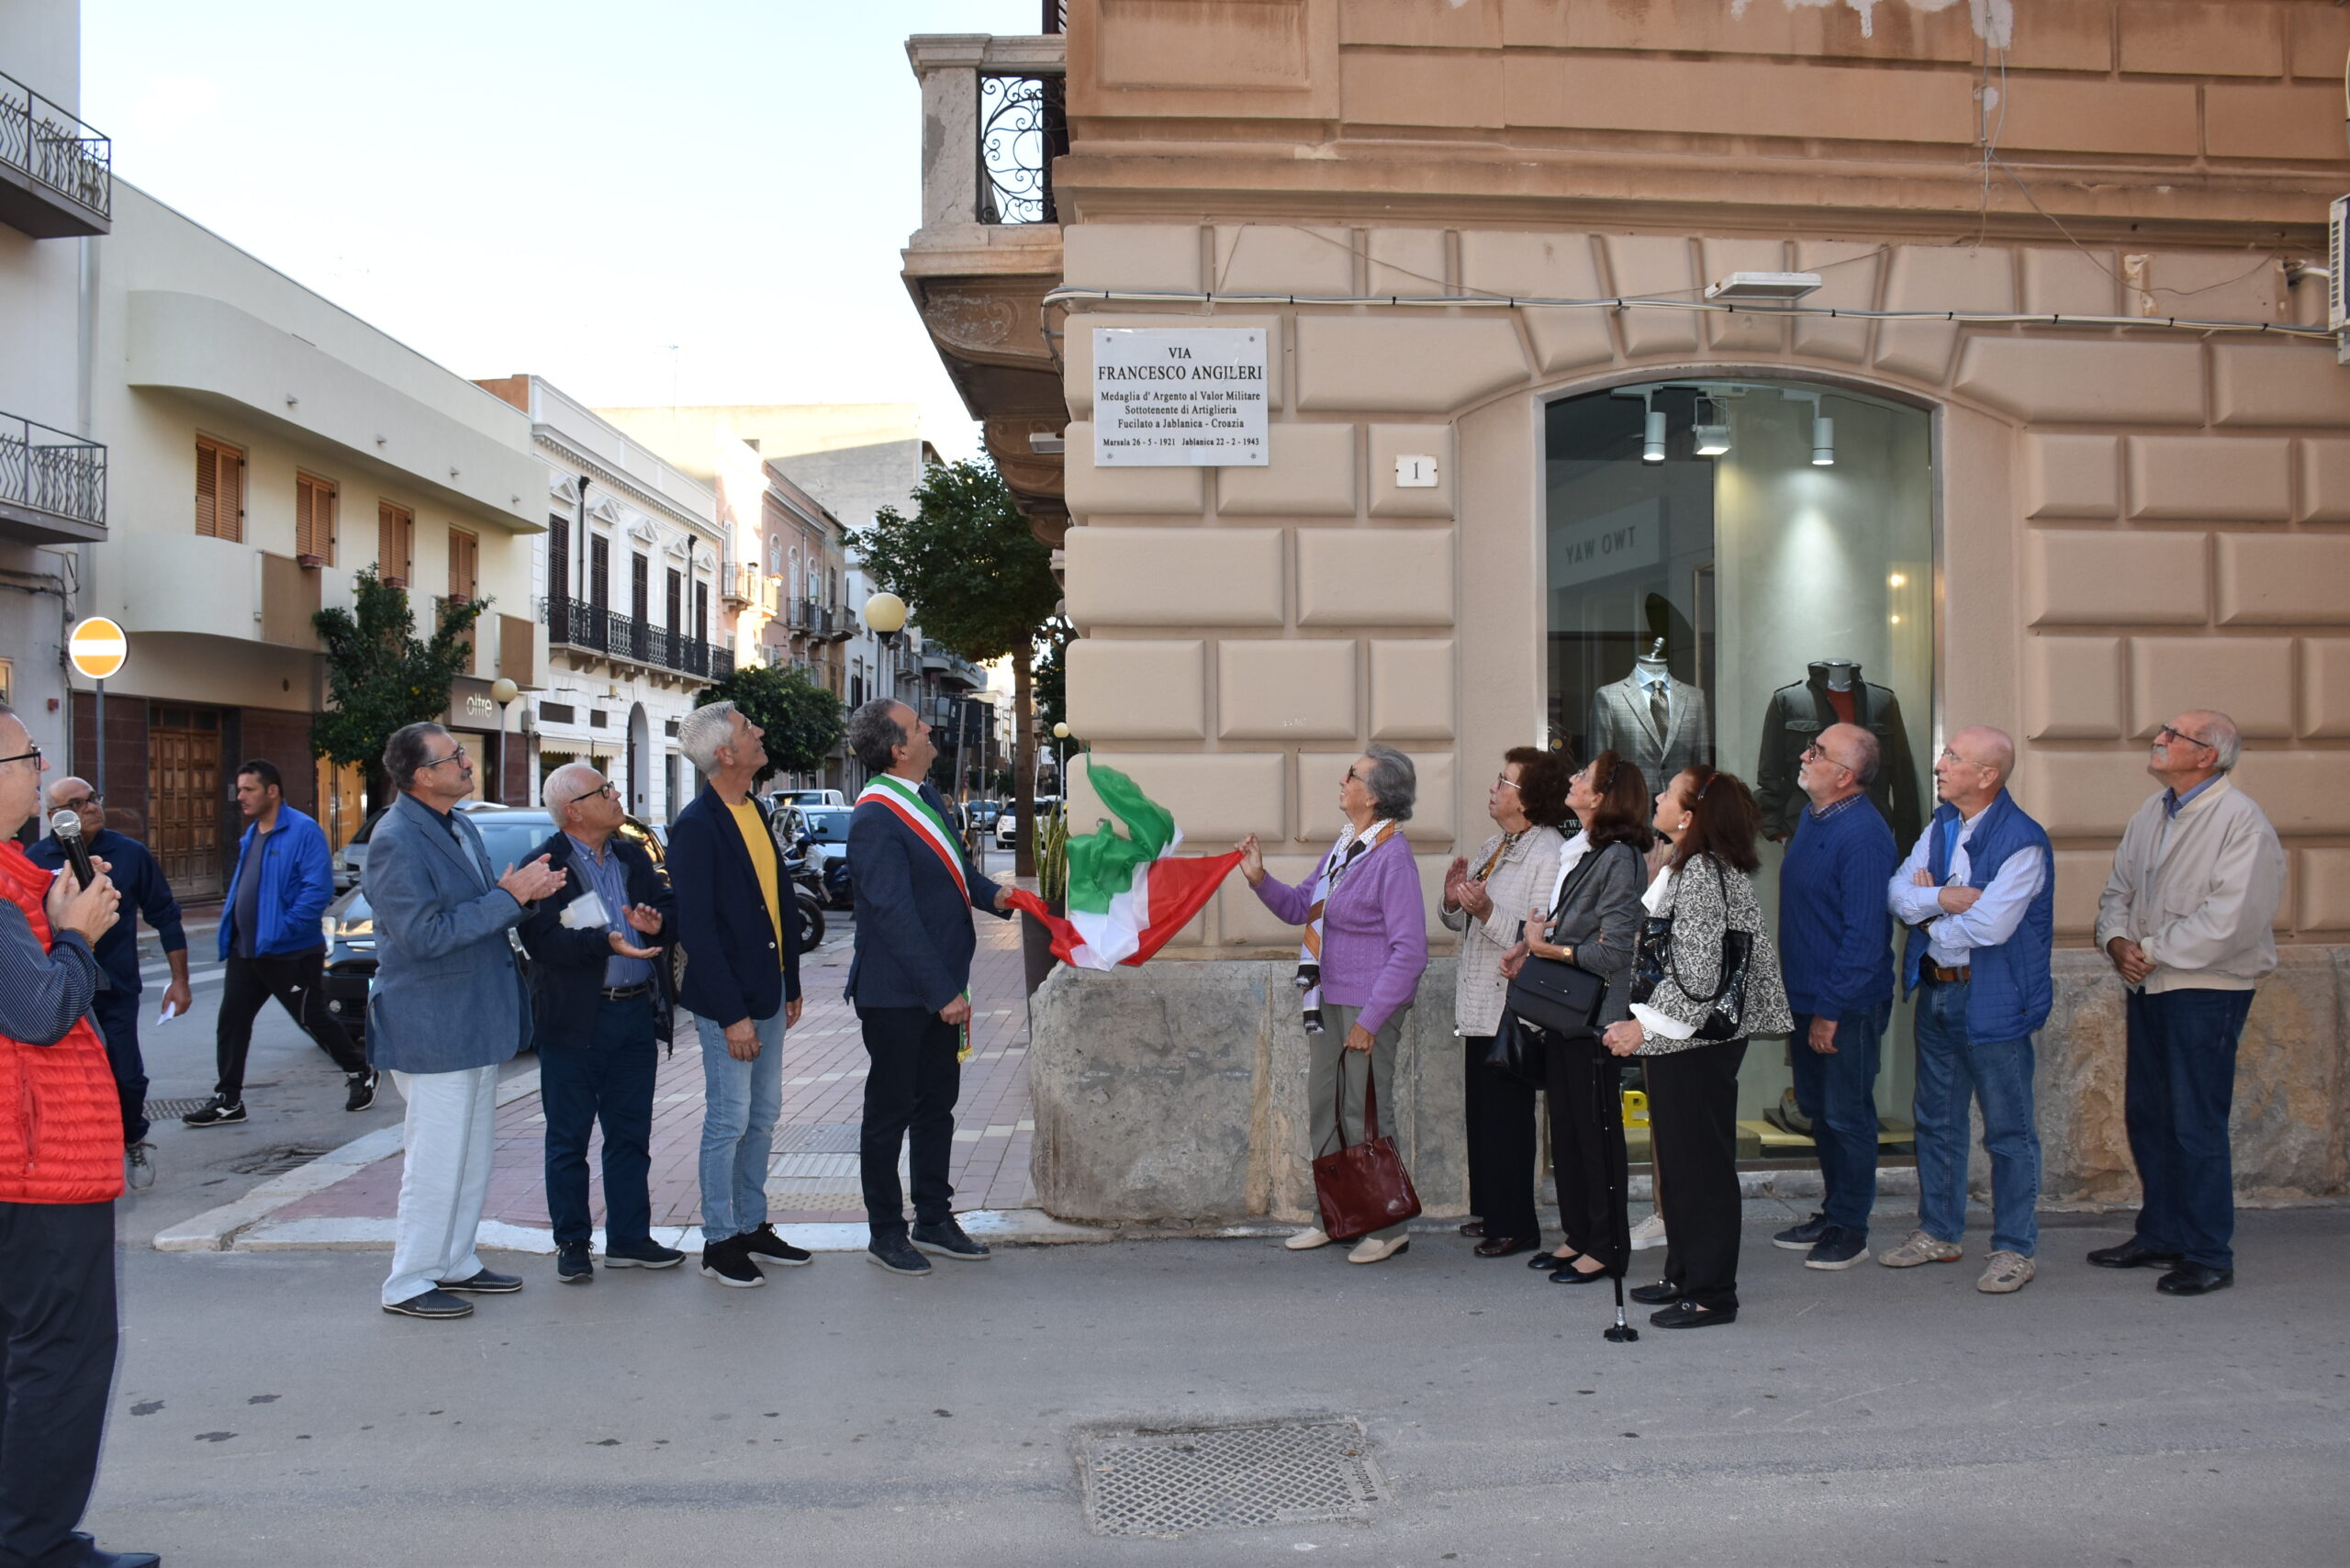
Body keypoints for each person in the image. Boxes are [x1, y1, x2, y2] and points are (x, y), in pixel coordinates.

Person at [0, 705, 160, 1568]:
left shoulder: (9, 873)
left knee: (26, 1355)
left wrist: (53, 896)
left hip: (27, 1162)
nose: (39, 769)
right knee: (61, 1359)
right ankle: (35, 1545)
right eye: (27, 756)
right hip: (34, 1165)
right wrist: (77, 932)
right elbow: (38, 1011)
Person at [368, 723, 565, 1319]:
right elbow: (423, 935)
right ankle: (409, 1280)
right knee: (436, 1159)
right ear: (422, 775)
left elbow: (477, 910)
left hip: (474, 1018)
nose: (465, 760)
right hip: (434, 1024)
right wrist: (510, 898)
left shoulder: (460, 822)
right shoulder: (396, 838)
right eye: (453, 755)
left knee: (471, 1153)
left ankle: (454, 1260)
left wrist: (515, 894)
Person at [2091, 710, 2286, 1297]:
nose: (2161, 739)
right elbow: (2118, 891)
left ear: (2209, 756)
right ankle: (2162, 1234)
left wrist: (2147, 949)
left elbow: (2233, 920)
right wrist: (2117, 941)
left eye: (2176, 736)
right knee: (2149, 1115)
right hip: (2150, 982)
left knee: (2195, 1123)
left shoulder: (2240, 821)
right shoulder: (2152, 812)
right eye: (2164, 730)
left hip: (2207, 989)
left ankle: (2208, 1254)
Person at [1604, 766, 1793, 1328]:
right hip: (1687, 1039)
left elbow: (1697, 975)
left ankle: (1712, 1292)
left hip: (1695, 1041)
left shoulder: (1705, 871)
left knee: (1701, 1167)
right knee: (1683, 1165)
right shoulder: (1691, 866)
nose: (1656, 796)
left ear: (1689, 817)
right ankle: (1685, 1273)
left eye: (1668, 793)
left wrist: (1646, 1028)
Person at [1238, 745, 1429, 1266]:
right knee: (1325, 1106)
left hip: (1368, 1005)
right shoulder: (1348, 845)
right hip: (1326, 999)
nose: (1342, 781)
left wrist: (1371, 1021)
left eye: (1352, 775)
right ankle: (1338, 1217)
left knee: (1364, 1112)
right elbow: (1304, 906)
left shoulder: (1393, 855)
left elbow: (1410, 951)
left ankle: (1387, 1226)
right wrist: (1258, 877)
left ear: (1373, 795)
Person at [844, 699, 1014, 1277]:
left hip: (940, 986)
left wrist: (998, 897)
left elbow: (956, 872)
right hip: (898, 994)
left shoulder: (928, 798)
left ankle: (934, 1219)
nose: (929, 729)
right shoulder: (874, 817)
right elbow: (892, 914)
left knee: (937, 1106)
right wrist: (943, 991)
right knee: (890, 1111)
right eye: (918, 726)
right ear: (898, 748)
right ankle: (886, 1231)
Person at [1882, 725, 2053, 1295]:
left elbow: (1991, 925)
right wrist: (1940, 900)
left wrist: (1927, 911)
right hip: (1937, 991)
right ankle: (1939, 1233)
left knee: (2009, 1131)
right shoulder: (1942, 825)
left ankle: (2014, 1249)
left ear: (1988, 776)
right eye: (1945, 752)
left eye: (1954, 757)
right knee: (1937, 1119)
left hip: (1993, 999)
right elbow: (1897, 893)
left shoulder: (2023, 840)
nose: (1939, 763)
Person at [518, 763, 686, 1285]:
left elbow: (667, 907)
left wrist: (658, 922)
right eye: (604, 791)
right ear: (575, 810)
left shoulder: (632, 855)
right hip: (574, 1023)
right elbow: (541, 941)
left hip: (635, 1012)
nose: (617, 796)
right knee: (569, 1139)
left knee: (631, 1135)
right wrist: (603, 941)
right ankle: (572, 1243)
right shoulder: (544, 866)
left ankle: (629, 1239)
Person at [670, 702, 808, 1288]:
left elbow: (778, 904)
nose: (760, 733)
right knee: (729, 1119)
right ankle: (719, 1239)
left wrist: (791, 982)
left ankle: (752, 1224)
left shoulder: (755, 808)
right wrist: (732, 1016)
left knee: (764, 1115)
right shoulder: (696, 827)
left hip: (770, 990)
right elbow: (697, 931)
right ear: (724, 754)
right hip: (731, 1003)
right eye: (749, 729)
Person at [1512, 751, 1651, 1286]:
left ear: (1603, 795)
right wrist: (1546, 941)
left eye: (1583, 777)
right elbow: (1578, 931)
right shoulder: (1588, 850)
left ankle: (1607, 1244)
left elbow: (1615, 950)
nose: (1573, 780)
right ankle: (1578, 1235)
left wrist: (1551, 951)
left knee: (1595, 1134)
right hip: (1569, 1013)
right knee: (1568, 1130)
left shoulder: (1620, 856)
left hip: (1597, 1015)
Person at [183, 758, 375, 1126]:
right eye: (239, 789)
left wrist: (283, 931)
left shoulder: (303, 831)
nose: (240, 796)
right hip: (248, 951)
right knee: (232, 1022)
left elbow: (315, 890)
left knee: (312, 1018)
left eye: (248, 789)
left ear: (272, 791)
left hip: (290, 952)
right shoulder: (253, 833)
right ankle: (229, 1099)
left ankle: (359, 1071)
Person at [1772, 723, 1901, 1271]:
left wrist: (1829, 1011)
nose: (1806, 755)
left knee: (1848, 1116)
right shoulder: (1812, 817)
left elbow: (1865, 937)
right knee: (1821, 1114)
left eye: (1818, 752)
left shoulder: (1865, 837)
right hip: (1807, 997)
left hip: (1844, 1003)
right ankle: (1834, 1211)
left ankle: (1852, 1225)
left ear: (1845, 776)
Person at [1439, 746, 1572, 1259]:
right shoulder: (1496, 843)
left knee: (1510, 1119)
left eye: (1505, 781)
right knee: (1484, 1115)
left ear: (1529, 798)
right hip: (1478, 999)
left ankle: (1518, 1223)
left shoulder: (1549, 852)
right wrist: (1453, 901)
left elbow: (1536, 934)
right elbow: (1463, 920)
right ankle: (1493, 1211)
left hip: (1512, 1004)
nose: (1494, 788)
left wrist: (1486, 908)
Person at [28, 777, 191, 1191]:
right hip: (56, 990)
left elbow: (165, 915)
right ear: (55, 817)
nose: (91, 808)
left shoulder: (129, 854)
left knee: (125, 1076)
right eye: (78, 804)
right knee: (63, 1087)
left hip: (115, 988)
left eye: (93, 799)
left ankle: (133, 1136)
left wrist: (179, 980)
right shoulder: (35, 860)